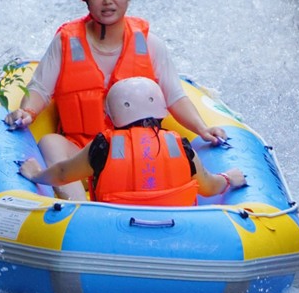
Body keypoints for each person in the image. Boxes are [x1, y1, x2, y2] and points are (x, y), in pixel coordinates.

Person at [7, 0, 226, 197]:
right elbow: (40, 88)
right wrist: (27, 112)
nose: (108, 1)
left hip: (133, 153)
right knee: (50, 142)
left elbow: (174, 97)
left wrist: (202, 129)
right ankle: (78, 210)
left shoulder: (151, 44)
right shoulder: (65, 42)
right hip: (79, 152)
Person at [18, 76, 245, 203]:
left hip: (112, 231)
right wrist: (228, 178)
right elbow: (208, 187)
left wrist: (35, 174)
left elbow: (62, 174)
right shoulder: (182, 148)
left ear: (112, 115)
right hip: (175, 235)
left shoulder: (103, 147)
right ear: (160, 109)